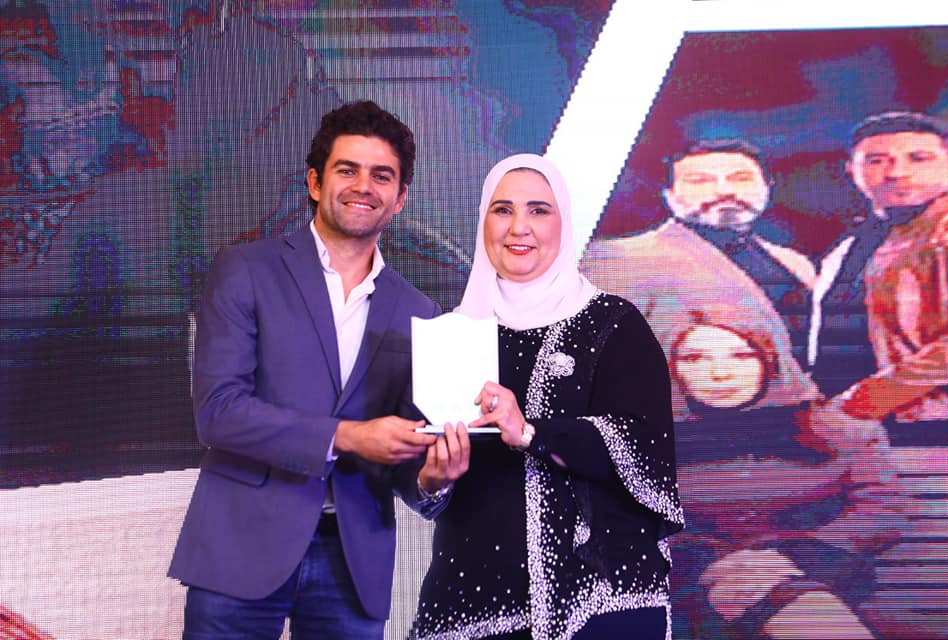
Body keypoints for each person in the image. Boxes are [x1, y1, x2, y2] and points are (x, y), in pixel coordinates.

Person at [168, 100, 469, 639]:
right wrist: (348, 436)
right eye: (347, 170)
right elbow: (219, 413)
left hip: (352, 562)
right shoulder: (245, 270)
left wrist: (431, 478)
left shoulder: (418, 310)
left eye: (381, 176)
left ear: (400, 198)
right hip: (241, 543)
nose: (363, 186)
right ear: (314, 182)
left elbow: (402, 458)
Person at [410, 154, 684, 640]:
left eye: (538, 210)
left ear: (564, 223)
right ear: (483, 223)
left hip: (603, 600)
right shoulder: (451, 336)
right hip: (473, 601)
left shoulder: (612, 325)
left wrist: (531, 432)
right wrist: (431, 481)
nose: (519, 227)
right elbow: (418, 470)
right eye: (502, 210)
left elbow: (645, 446)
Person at [665, 305, 905, 640]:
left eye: (742, 356)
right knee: (741, 587)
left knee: (756, 586)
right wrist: (714, 560)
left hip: (814, 569)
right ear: (673, 369)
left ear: (771, 360)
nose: (719, 373)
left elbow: (882, 511)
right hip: (685, 583)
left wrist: (787, 554)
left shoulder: (842, 429)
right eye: (694, 359)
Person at [581, 139, 815, 368]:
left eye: (741, 179)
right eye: (700, 181)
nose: (725, 191)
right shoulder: (620, 259)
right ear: (669, 195)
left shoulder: (794, 263)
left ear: (767, 187)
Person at [809, 111, 948, 431]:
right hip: (852, 428)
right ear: (852, 170)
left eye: (918, 158)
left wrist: (866, 400)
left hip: (937, 425)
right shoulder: (852, 244)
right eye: (876, 161)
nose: (896, 173)